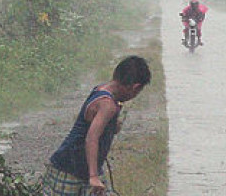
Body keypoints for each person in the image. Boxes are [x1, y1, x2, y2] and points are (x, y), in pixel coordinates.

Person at [42, 56, 151, 196]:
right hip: (69, 169)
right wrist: (93, 176)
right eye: (138, 92)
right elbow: (91, 138)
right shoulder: (108, 105)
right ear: (135, 87)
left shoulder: (101, 90)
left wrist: (113, 125)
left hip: (85, 167)